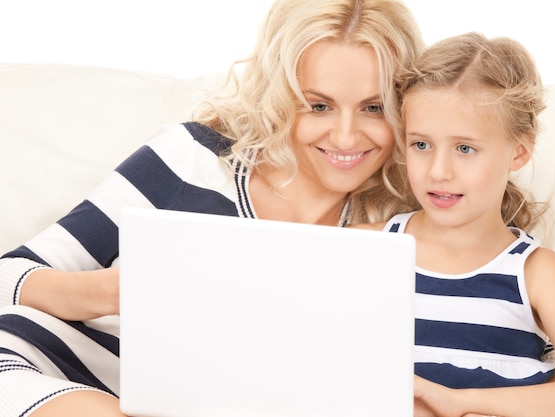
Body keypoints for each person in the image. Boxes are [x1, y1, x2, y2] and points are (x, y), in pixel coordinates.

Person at [0, 1, 424, 416]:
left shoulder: (405, 218)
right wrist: (115, 291)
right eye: (318, 105)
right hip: (61, 371)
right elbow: (9, 276)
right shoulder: (194, 161)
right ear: (279, 96)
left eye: (374, 107)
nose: (347, 137)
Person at [356, 32, 555, 416]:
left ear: (518, 152)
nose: (438, 171)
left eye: (465, 148)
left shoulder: (535, 272)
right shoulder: (367, 249)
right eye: (421, 145)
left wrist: (460, 402)